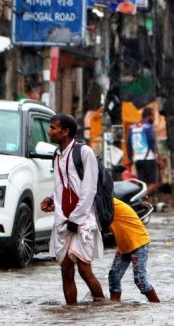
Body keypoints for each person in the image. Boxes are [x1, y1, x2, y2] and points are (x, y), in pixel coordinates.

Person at [39, 113, 105, 305]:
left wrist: (76, 218)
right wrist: (51, 198)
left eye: (53, 128)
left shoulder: (84, 152)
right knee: (66, 270)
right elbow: (62, 183)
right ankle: (71, 312)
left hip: (82, 221)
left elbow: (89, 188)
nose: (49, 132)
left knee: (85, 270)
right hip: (63, 220)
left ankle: (102, 305)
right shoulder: (57, 154)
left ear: (65, 131)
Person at [108, 198, 160, 303]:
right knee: (114, 278)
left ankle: (157, 306)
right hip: (124, 245)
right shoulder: (104, 203)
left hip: (138, 243)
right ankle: (113, 307)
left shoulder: (107, 204)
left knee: (140, 281)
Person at [127, 107, 159, 196]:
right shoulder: (148, 127)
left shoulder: (132, 127)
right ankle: (139, 198)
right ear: (149, 116)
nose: (154, 118)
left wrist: (130, 158)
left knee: (142, 183)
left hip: (137, 159)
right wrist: (158, 157)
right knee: (153, 183)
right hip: (149, 158)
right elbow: (152, 142)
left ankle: (142, 203)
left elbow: (128, 143)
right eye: (153, 115)